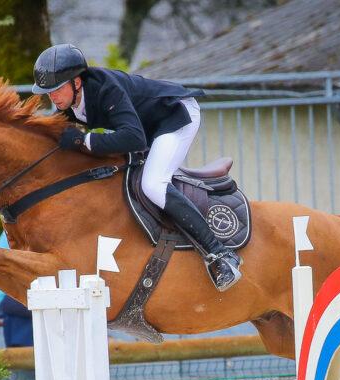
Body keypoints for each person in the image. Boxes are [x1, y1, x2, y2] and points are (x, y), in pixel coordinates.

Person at [32, 43, 241, 291]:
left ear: (76, 82)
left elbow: (133, 138)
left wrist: (84, 140)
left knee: (152, 184)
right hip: (149, 126)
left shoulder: (105, 90)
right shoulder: (70, 103)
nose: (52, 97)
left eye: (57, 89)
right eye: (48, 92)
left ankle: (220, 254)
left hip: (175, 116)